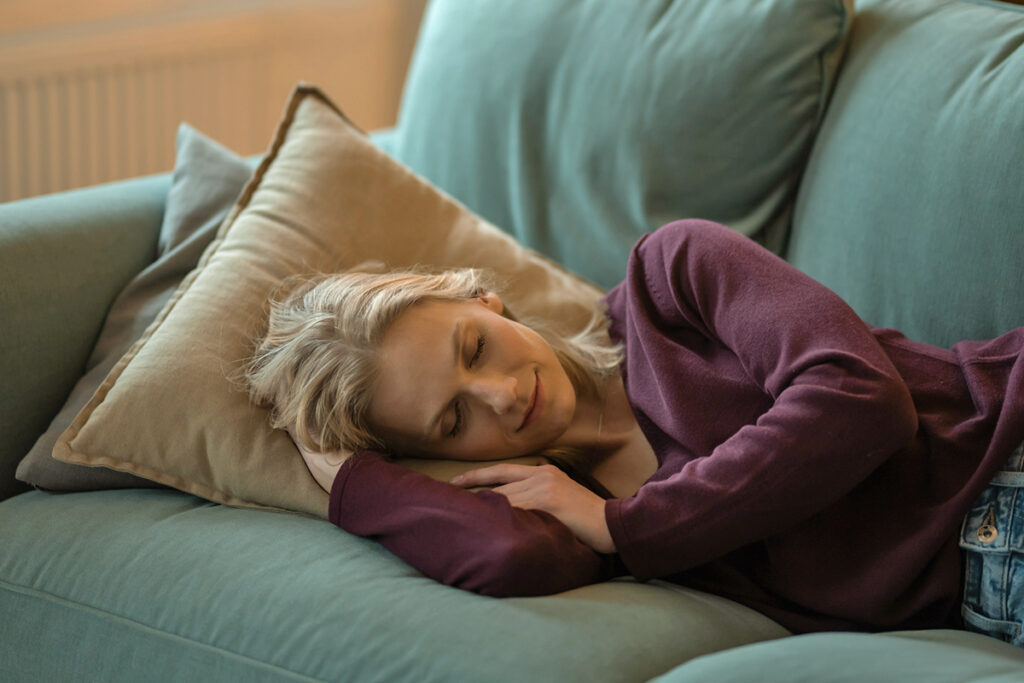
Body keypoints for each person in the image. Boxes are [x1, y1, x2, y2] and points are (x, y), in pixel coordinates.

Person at [245, 219, 1024, 646]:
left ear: (484, 300)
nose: (503, 395)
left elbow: (859, 399)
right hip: (987, 590)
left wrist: (629, 524)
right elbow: (504, 557)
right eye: (453, 419)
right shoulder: (563, 510)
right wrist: (346, 473)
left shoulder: (672, 276)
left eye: (473, 347)